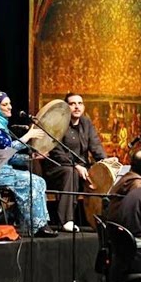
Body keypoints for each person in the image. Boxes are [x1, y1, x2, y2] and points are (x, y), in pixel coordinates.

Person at [0, 91, 58, 238]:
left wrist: (31, 157)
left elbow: (8, 156)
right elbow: (8, 148)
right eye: (5, 104)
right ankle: (37, 226)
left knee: (39, 181)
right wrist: (27, 136)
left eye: (10, 103)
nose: (10, 107)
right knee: (32, 181)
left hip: (4, 171)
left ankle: (37, 223)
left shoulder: (1, 124)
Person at [43, 92, 108, 231]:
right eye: (72, 104)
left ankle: (101, 220)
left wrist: (106, 163)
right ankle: (67, 220)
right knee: (70, 172)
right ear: (66, 107)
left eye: (80, 103)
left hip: (82, 167)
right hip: (59, 167)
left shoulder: (86, 123)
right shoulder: (58, 123)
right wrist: (75, 165)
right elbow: (56, 152)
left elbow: (95, 146)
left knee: (103, 175)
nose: (77, 107)